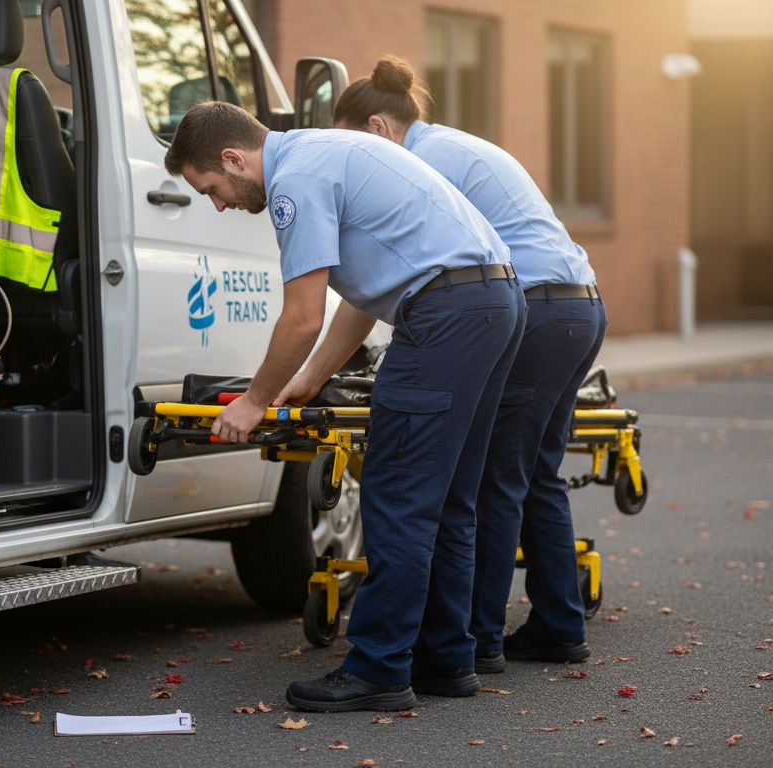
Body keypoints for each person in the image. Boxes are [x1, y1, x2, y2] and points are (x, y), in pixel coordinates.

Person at [163, 101, 525, 711]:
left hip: (446, 316)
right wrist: (308, 379)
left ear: (233, 158)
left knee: (398, 495)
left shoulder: (294, 182)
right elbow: (360, 299)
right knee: (450, 497)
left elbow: (303, 316)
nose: (219, 204)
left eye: (212, 189)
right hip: (494, 301)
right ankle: (446, 658)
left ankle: (380, 670)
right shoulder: (326, 152)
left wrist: (253, 402)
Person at [334, 56, 608, 672]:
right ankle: (559, 624)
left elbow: (389, 285)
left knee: (487, 478)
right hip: (577, 307)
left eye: (346, 143)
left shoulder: (411, 166)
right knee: (532, 472)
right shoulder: (455, 146)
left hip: (532, 311)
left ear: (376, 128)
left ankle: (478, 639)